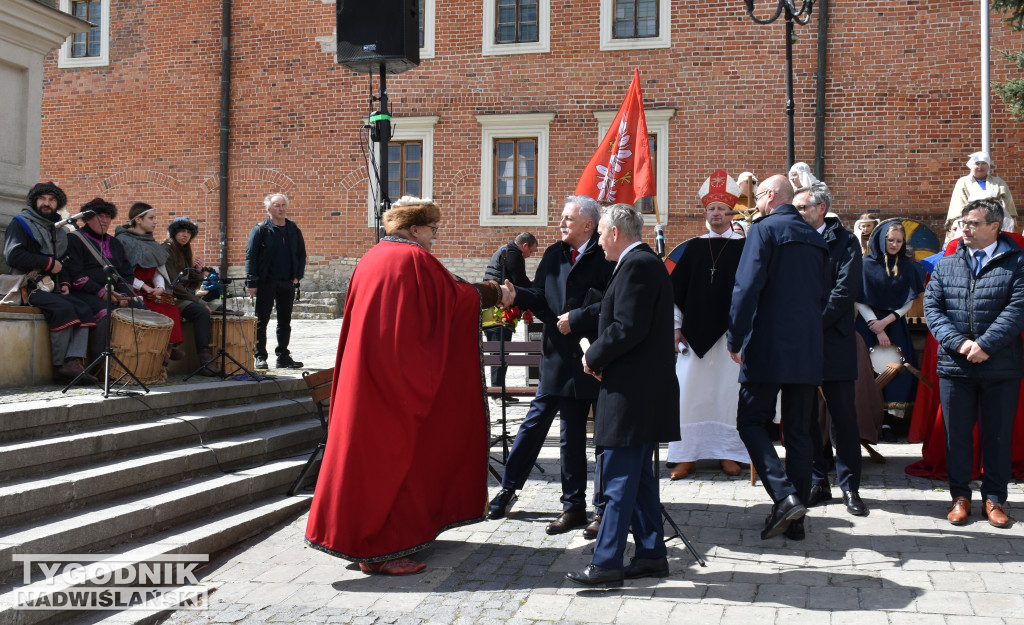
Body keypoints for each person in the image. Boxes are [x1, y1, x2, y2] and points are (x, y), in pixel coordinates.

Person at [305, 196, 504, 574]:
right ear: (414, 229)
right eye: (432, 230)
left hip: (369, 380)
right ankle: (384, 550)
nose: (434, 238)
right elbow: (450, 301)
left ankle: (363, 543)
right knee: (395, 463)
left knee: (371, 463)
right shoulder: (413, 259)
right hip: (398, 384)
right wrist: (495, 293)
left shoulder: (371, 259)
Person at [487, 196, 615, 540]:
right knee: (537, 427)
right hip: (558, 357)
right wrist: (518, 296)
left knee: (590, 437)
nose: (561, 224)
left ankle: (597, 509)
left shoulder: (606, 254)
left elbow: (612, 303)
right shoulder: (555, 254)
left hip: (592, 358)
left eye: (568, 219)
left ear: (588, 224)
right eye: (561, 218)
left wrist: (577, 320)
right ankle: (513, 490)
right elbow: (542, 297)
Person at [566, 204, 679, 587]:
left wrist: (592, 354)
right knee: (640, 480)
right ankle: (650, 554)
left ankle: (607, 563)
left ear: (615, 232)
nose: (597, 240)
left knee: (616, 480)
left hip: (633, 394)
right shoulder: (639, 264)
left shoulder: (637, 265)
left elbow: (628, 327)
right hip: (638, 392)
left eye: (599, 233)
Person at [728, 174, 829, 541]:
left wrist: (736, 336)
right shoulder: (816, 239)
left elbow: (746, 286)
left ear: (770, 196)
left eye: (756, 197)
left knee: (751, 421)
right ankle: (796, 521)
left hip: (768, 343)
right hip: (806, 347)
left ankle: (784, 496)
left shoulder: (764, 230)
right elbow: (823, 295)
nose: (754, 204)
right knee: (800, 431)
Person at [924, 198, 1024, 528]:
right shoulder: (947, 262)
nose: (965, 228)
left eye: (973, 223)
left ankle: (994, 498)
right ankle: (959, 496)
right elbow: (933, 310)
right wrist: (962, 343)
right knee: (958, 436)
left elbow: (1017, 310)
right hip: (956, 365)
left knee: (997, 434)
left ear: (994, 227)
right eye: (964, 222)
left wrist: (986, 345)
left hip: (1000, 366)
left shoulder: (1017, 262)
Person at [666, 169, 747, 480]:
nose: (716, 213)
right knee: (689, 395)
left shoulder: (744, 248)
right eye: (711, 208)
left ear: (731, 213)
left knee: (728, 395)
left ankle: (729, 454)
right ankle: (686, 457)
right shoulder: (692, 248)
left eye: (722, 209)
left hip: (730, 337)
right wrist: (675, 329)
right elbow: (675, 294)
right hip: (692, 336)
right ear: (706, 212)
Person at [794, 182, 868, 516]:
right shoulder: (793, 238)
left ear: (820, 209)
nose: (796, 213)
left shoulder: (846, 241)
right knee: (805, 415)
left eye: (801, 208)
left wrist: (814, 324)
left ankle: (850, 485)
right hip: (800, 342)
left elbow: (845, 291)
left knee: (843, 417)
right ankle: (817, 480)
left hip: (833, 338)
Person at [3, 182, 97, 385]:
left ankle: (73, 362)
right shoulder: (21, 223)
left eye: (52, 200)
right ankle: (59, 366)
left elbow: (63, 263)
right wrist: (46, 262)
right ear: (35, 200)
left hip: (52, 286)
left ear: (58, 204)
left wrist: (65, 283)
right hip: (27, 287)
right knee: (63, 307)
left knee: (84, 308)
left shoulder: (59, 229)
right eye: (43, 199)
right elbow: (13, 255)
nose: (47, 203)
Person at [855, 220, 924, 440]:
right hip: (868, 325)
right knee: (868, 373)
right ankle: (868, 421)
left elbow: (908, 301)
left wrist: (886, 323)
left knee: (896, 371)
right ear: (880, 239)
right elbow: (859, 298)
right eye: (890, 240)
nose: (894, 244)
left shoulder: (907, 266)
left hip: (894, 326)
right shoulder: (864, 265)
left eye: (899, 241)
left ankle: (890, 422)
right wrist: (875, 324)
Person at [64, 199, 147, 360]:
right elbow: (75, 274)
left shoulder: (115, 243)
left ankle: (137, 362)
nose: (104, 220)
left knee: (142, 311)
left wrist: (122, 294)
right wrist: (101, 293)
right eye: (99, 216)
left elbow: (126, 273)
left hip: (117, 293)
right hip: (85, 293)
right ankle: (100, 364)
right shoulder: (74, 239)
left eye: (108, 216)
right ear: (87, 218)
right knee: (105, 313)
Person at [115, 202, 187, 365]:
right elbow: (122, 273)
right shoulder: (123, 241)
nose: (155, 222)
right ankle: (153, 351)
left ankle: (165, 354)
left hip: (151, 289)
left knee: (171, 309)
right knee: (149, 312)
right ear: (138, 220)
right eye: (151, 218)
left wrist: (160, 286)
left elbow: (156, 270)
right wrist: (144, 286)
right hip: (133, 289)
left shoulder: (153, 243)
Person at [244, 193, 307, 370]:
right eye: (277, 205)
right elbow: (251, 257)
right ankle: (260, 356)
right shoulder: (260, 229)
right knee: (261, 321)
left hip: (287, 281)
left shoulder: (293, 229)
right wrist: (251, 282)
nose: (281, 209)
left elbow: (301, 254)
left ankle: (283, 356)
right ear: (269, 209)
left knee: (285, 321)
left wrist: (297, 276)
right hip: (265, 282)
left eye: (283, 205)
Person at [162, 216, 222, 376]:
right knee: (201, 312)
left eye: (189, 232)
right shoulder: (167, 249)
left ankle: (219, 358)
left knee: (225, 310)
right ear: (174, 232)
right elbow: (174, 286)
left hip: (184, 296)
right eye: (182, 231)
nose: (185, 235)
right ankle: (205, 361)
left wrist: (198, 271)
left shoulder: (185, 250)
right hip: (171, 298)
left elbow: (192, 285)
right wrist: (200, 302)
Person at [482, 232, 538, 401]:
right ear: (525, 246)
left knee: (500, 352)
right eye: (531, 251)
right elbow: (519, 281)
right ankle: (498, 392)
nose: (530, 255)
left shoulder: (505, 251)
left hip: (492, 310)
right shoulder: (513, 254)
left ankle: (500, 391)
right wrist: (535, 288)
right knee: (500, 353)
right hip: (498, 311)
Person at [947, 151, 1017, 227]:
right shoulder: (963, 182)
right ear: (971, 166)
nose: (980, 167)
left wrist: (995, 203)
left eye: (984, 163)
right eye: (977, 164)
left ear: (988, 166)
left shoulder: (998, 182)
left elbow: (1007, 202)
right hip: (972, 224)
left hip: (996, 223)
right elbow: (959, 205)